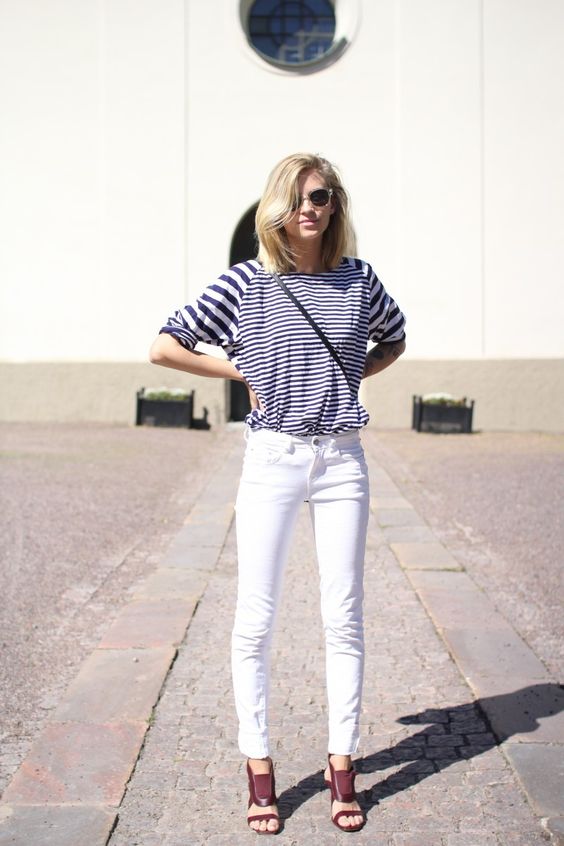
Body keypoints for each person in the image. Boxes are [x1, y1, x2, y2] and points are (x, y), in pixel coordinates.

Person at [149, 153, 406, 834]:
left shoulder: (359, 280)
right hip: (272, 458)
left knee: (343, 615)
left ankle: (342, 765)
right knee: (255, 620)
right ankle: (259, 767)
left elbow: (395, 339)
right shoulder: (246, 283)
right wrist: (236, 368)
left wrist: (349, 373)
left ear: (334, 204)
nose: (309, 208)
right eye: (295, 197)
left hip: (342, 460)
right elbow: (164, 345)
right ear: (276, 207)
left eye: (320, 195)